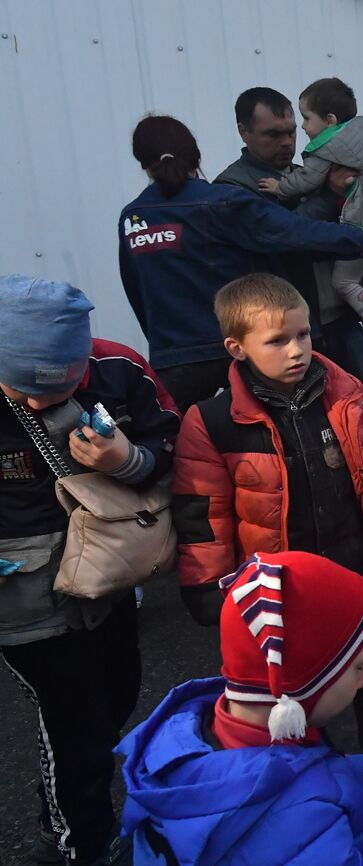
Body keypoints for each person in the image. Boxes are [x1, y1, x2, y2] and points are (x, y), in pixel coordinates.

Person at [171, 274, 363, 754]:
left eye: (303, 334)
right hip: (285, 599)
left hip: (354, 578)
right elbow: (204, 514)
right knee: (298, 700)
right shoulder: (212, 421)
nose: (296, 350)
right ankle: (317, 794)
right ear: (237, 347)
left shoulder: (345, 395)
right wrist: (211, 592)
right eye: (277, 340)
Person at [115, 551, 363, 865]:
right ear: (301, 688)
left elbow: (292, 775)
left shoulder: (194, 739)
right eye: (358, 666)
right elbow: (300, 804)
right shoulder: (297, 817)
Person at [0, 275, 180, 865]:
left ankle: (61, 811)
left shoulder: (119, 369)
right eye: (20, 387)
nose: (33, 403)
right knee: (75, 726)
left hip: (108, 577)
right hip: (22, 602)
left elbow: (177, 447)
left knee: (118, 697)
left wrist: (129, 460)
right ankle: (83, 843)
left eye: (55, 388)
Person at [118, 114, 363, 411]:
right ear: (195, 156)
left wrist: (167, 349)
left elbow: (138, 296)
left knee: (184, 449)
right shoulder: (222, 201)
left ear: (142, 163)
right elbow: (298, 233)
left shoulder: (133, 218)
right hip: (240, 353)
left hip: (176, 362)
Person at [214, 86, 363, 400]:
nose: (287, 142)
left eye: (292, 133)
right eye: (273, 134)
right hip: (287, 335)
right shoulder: (232, 189)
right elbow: (289, 237)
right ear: (243, 131)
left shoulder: (307, 175)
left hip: (339, 322)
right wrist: (329, 196)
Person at [259, 78, 363, 371]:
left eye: (305, 120)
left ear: (329, 120)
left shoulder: (326, 149)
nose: (303, 129)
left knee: (344, 281)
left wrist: (280, 188)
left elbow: (306, 179)